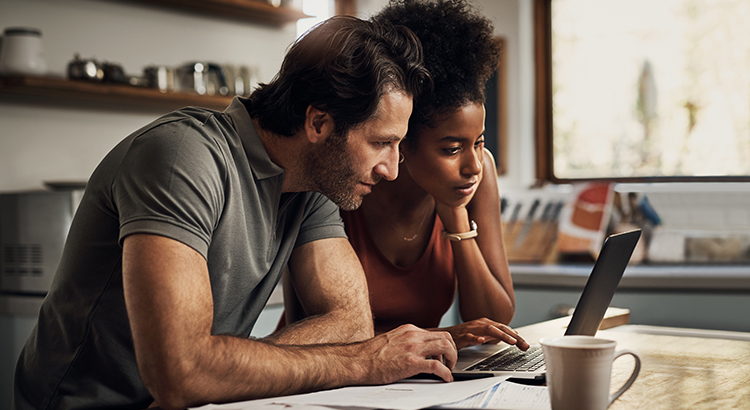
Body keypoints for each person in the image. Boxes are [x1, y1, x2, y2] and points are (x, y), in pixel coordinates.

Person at [12, 16, 460, 410]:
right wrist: (361, 363)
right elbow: (181, 372)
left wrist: (219, 372)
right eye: (382, 142)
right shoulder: (183, 156)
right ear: (319, 124)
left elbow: (350, 321)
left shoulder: (314, 182)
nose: (393, 168)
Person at [280, 0, 529, 352]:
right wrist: (438, 337)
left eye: (479, 142)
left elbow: (495, 320)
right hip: (323, 378)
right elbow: (306, 331)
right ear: (402, 140)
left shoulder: (475, 175)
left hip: (412, 378)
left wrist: (455, 216)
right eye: (451, 148)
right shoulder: (342, 180)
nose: (473, 164)